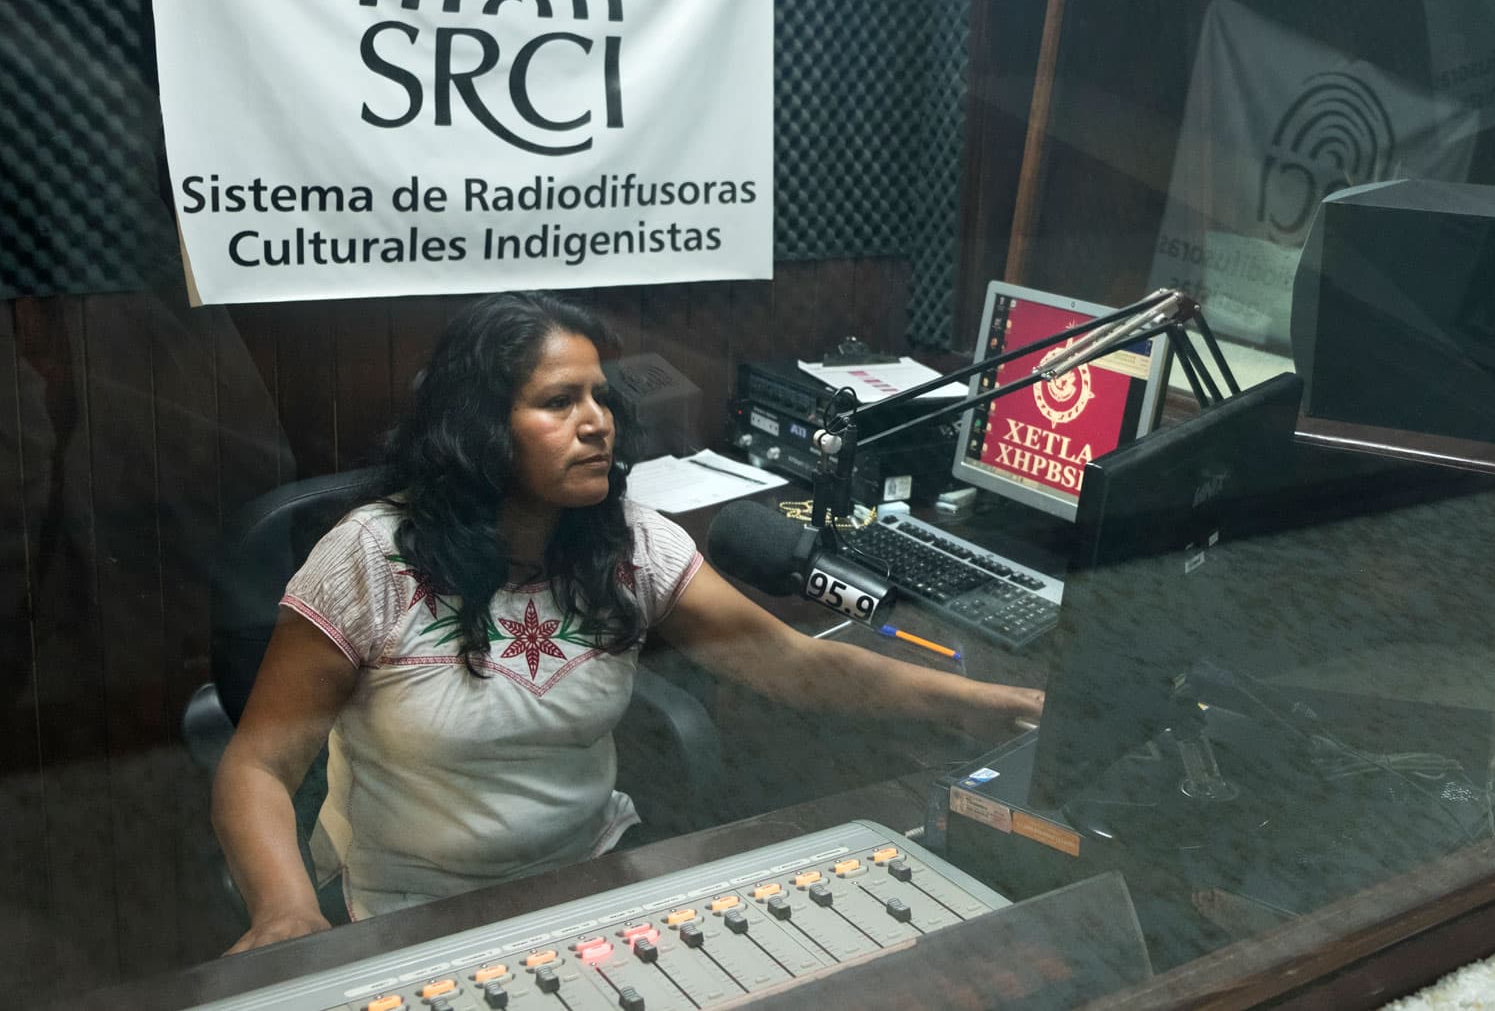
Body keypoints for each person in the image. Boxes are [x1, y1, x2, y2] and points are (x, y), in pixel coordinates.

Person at [213, 292, 1043, 952]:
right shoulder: (370, 559)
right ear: (478, 428)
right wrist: (288, 915)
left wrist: (983, 704)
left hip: (592, 884)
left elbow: (795, 663)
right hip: (414, 912)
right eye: (558, 401)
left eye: (602, 398)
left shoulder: (631, 545)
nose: (597, 422)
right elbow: (258, 764)